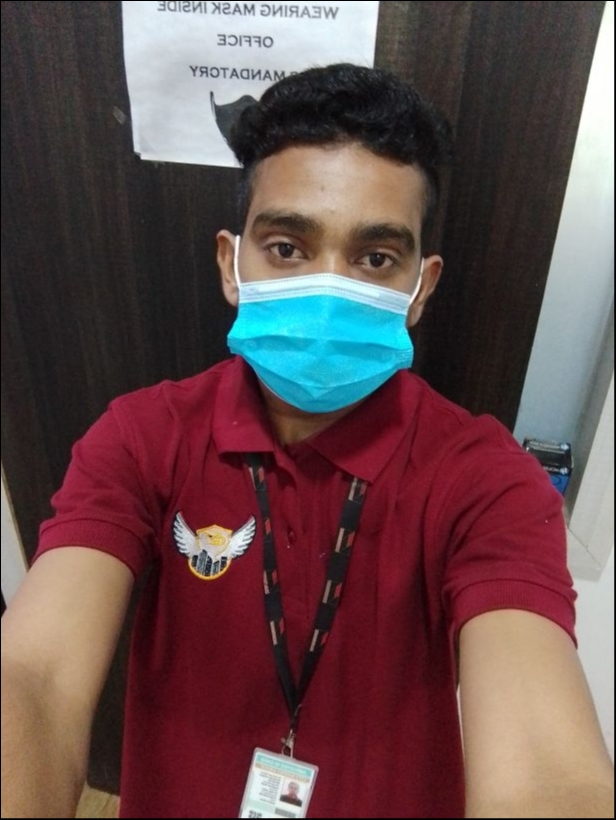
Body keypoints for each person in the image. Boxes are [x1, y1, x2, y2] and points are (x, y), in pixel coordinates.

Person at [1, 63, 614, 820]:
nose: (327, 287)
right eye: (288, 247)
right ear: (232, 265)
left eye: (375, 258)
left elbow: (547, 770)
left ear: (420, 289)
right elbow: (33, 676)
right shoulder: (141, 440)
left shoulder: (488, 483)